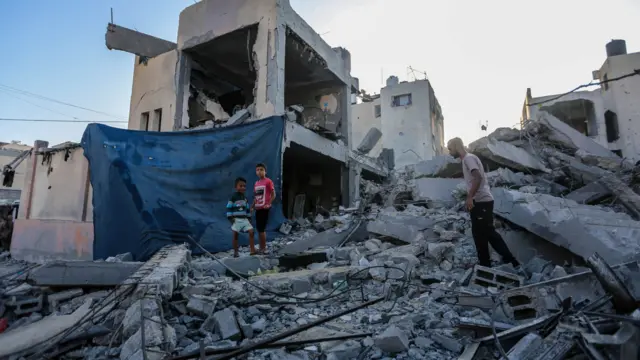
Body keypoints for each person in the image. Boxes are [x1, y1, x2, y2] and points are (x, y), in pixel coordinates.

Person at [447, 137, 520, 268]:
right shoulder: (467, 159)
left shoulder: (469, 159)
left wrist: (470, 197)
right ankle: (484, 264)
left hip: (482, 202)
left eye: (450, 149)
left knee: (489, 232)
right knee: (479, 234)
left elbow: (478, 177)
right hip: (479, 202)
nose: (449, 152)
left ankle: (511, 261)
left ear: (457, 146)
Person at [226, 177, 255, 257]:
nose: (243, 188)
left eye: (244, 186)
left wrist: (249, 218)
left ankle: (252, 250)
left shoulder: (244, 198)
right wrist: (230, 218)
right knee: (235, 235)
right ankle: (236, 252)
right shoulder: (233, 197)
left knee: (251, 232)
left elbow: (247, 209)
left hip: (245, 219)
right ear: (236, 187)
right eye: (240, 186)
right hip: (236, 219)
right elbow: (229, 207)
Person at [251, 163, 275, 254]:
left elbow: (273, 194)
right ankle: (261, 247)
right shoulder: (256, 183)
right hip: (258, 208)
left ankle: (263, 248)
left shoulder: (268, 181)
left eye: (261, 169)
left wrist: (268, 204)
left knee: (262, 229)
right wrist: (252, 206)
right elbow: (255, 197)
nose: (259, 171)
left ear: (265, 171)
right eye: (257, 170)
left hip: (264, 209)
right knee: (259, 228)